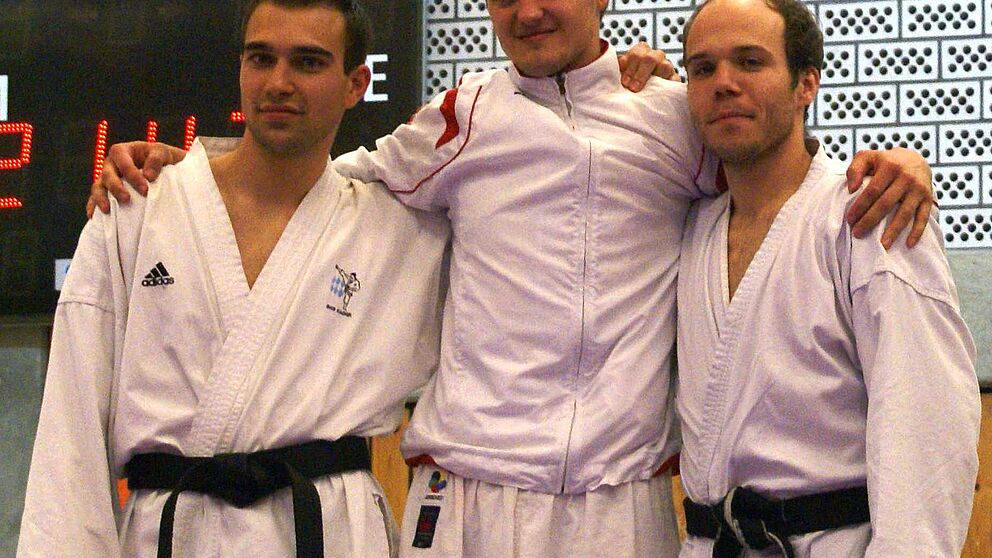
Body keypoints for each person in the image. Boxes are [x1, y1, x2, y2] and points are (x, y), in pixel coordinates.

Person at [89, 1, 938, 557]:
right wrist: (192, 171)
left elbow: (776, 169)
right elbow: (318, 184)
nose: (527, 11)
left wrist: (900, 164)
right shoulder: (461, 118)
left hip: (621, 505)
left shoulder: (673, 120)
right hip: (468, 501)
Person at [18, 1, 448, 557]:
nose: (278, 83)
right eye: (261, 59)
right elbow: (70, 430)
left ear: (355, 84)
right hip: (172, 533)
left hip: (329, 533)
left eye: (308, 62)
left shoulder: (396, 228)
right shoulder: (136, 209)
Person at [675, 0, 980, 556]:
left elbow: (928, 427)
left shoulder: (870, 212)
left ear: (806, 84)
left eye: (750, 62)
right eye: (703, 68)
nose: (724, 84)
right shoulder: (691, 227)